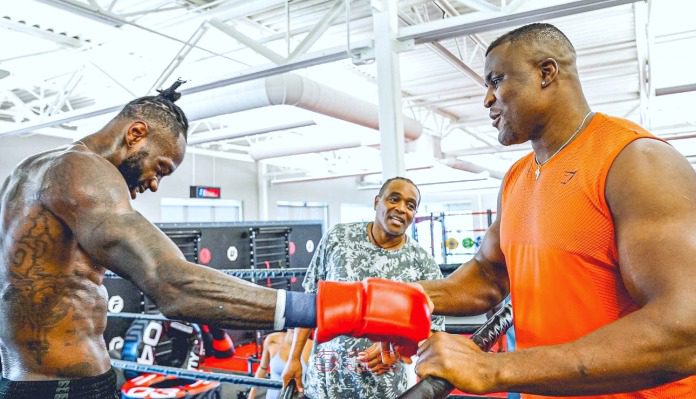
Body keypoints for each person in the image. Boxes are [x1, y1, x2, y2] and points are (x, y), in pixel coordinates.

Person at [0, 81, 433, 399]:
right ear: (136, 134)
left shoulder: (31, 170)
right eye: (162, 167)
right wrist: (344, 308)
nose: (153, 184)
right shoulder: (85, 173)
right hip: (63, 387)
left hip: (37, 380)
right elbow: (172, 284)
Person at [415, 23, 696, 398]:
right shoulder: (517, 177)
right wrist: (405, 297)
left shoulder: (636, 162)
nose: (486, 100)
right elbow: (490, 274)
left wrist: (493, 368)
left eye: (496, 81)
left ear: (546, 73)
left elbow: (686, 328)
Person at [282, 177, 446, 399]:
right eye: (394, 199)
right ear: (377, 201)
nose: (401, 209)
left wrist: (397, 351)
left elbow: (433, 331)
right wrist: (294, 357)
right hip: (325, 383)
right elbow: (311, 298)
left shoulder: (422, 264)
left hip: (382, 389)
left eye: (410, 205)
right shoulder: (338, 238)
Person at [248, 329, 312, 399]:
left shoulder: (311, 346)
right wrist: (252, 394)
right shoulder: (272, 340)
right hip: (272, 396)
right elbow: (262, 368)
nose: (294, 327)